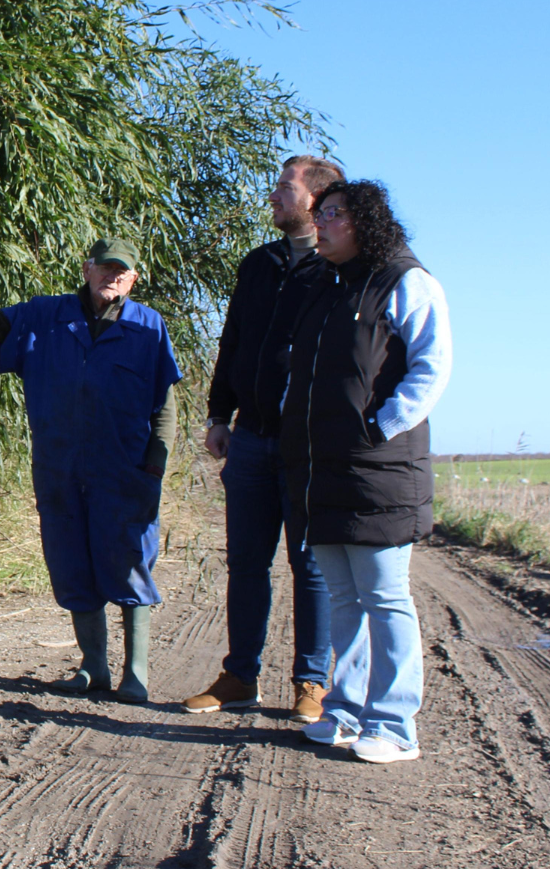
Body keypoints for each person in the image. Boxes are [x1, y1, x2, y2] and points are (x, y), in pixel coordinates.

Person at [0, 239, 181, 703]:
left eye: (122, 272)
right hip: (60, 466)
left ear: (133, 279)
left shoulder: (148, 325)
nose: (112, 277)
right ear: (87, 269)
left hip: (125, 470)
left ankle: (136, 674)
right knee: (70, 561)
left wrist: (155, 466)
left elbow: (164, 406)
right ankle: (94, 667)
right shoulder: (47, 314)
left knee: (129, 562)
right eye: (105, 268)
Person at [283, 180, 451, 764]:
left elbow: (432, 367)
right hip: (322, 468)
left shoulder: (406, 281)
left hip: (379, 466)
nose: (320, 222)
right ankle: (346, 712)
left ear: (365, 222)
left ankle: (395, 725)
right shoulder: (328, 287)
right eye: (319, 212)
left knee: (384, 596)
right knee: (344, 597)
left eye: (333, 213)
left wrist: (380, 427)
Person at [184, 155, 344, 725]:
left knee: (311, 567)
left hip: (307, 445)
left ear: (316, 199)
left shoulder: (338, 270)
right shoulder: (259, 263)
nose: (273, 196)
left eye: (284, 187)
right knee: (247, 564)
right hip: (250, 438)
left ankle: (311, 683)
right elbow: (233, 339)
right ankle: (239, 678)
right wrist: (218, 414)